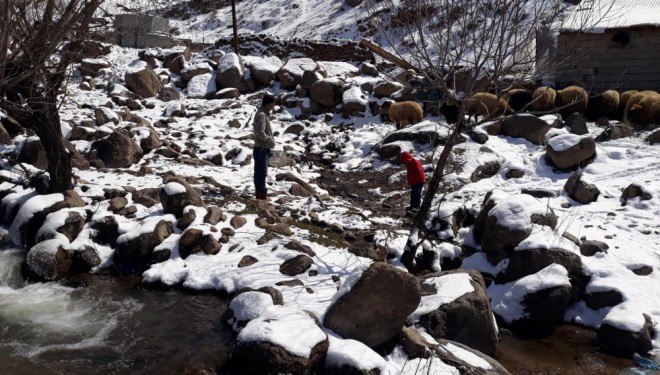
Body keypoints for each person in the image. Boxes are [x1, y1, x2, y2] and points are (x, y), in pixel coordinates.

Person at [253, 93, 276, 200]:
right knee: (261, 172)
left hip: (262, 148)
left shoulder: (264, 113)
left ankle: (261, 195)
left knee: (260, 172)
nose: (273, 106)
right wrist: (269, 140)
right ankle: (261, 197)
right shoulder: (262, 114)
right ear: (267, 104)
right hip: (261, 148)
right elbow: (259, 132)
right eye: (272, 104)